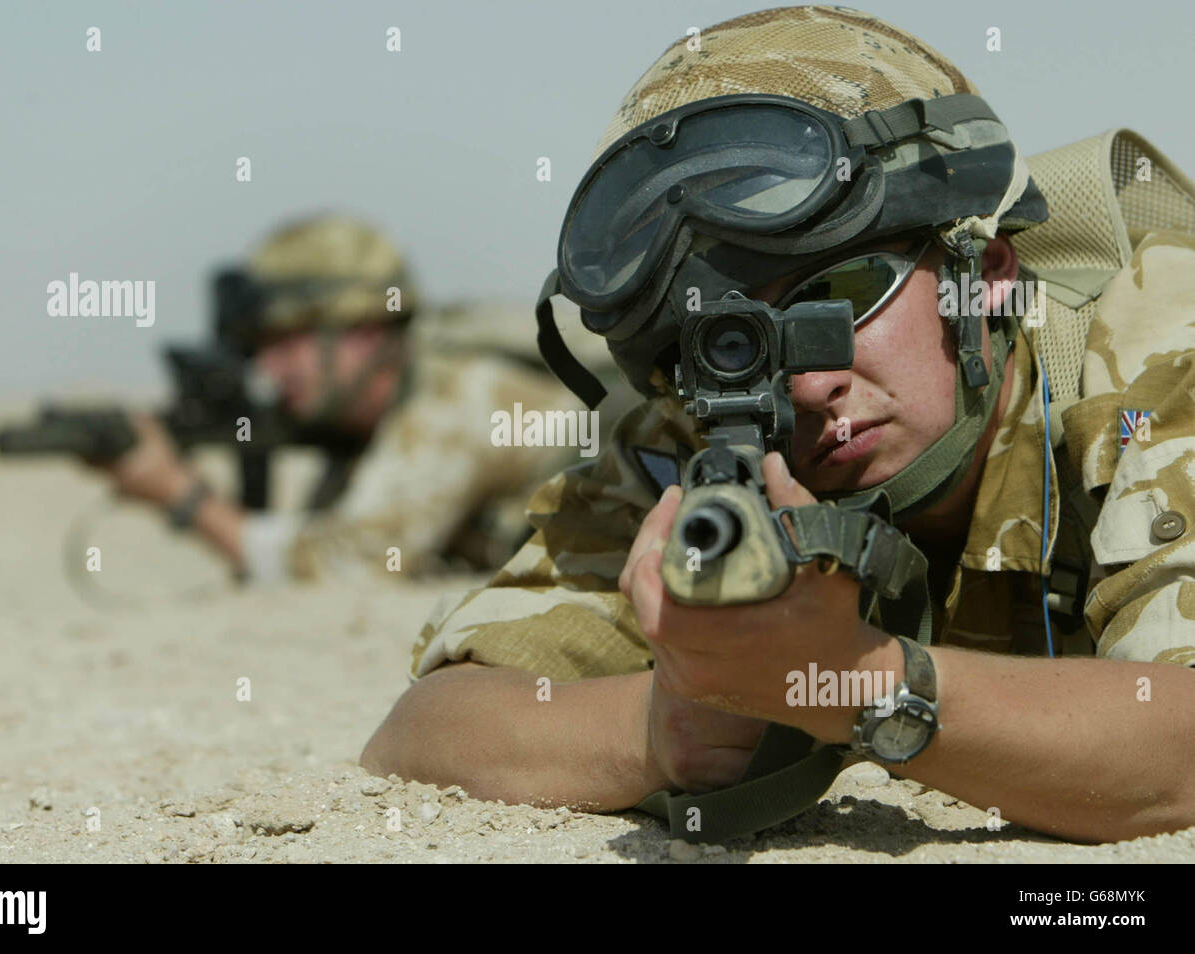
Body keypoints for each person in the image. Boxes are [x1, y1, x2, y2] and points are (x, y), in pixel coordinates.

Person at [361, 6, 1195, 843]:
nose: (805, 383)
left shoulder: (1150, 354)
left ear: (987, 279)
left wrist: (857, 684)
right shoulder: (706, 441)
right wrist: (657, 732)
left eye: (840, 298)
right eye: (735, 344)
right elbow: (425, 728)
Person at [100, 213, 612, 580]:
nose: (267, 367)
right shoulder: (388, 408)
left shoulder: (458, 395)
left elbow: (351, 563)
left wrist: (180, 494)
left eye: (286, 341)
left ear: (365, 332)